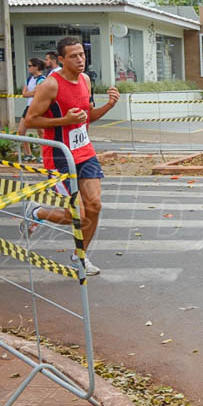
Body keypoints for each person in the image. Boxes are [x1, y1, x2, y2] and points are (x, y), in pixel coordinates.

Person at [20, 37, 119, 276]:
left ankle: (80, 257)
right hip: (59, 155)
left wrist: (108, 106)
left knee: (94, 207)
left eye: (82, 55)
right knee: (78, 214)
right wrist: (64, 121)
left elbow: (87, 117)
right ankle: (36, 212)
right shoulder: (51, 85)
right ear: (61, 60)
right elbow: (30, 120)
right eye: (73, 56)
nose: (80, 60)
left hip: (85, 152)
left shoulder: (85, 80)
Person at [17, 57, 45, 157]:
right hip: (29, 106)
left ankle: (42, 155)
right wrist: (29, 93)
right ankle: (28, 153)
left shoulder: (42, 79)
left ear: (36, 67)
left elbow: (36, 92)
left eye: (30, 66)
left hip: (37, 107)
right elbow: (24, 93)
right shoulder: (30, 78)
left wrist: (28, 93)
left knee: (41, 132)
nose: (28, 68)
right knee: (21, 131)